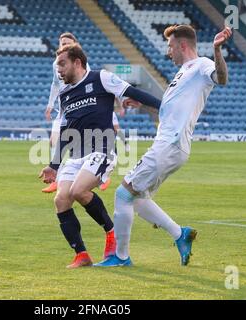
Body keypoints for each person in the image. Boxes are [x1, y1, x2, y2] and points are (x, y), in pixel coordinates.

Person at [94, 25, 232, 267]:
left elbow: (222, 79)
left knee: (123, 193)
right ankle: (181, 234)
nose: (168, 53)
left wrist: (217, 49)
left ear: (182, 45)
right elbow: (169, 111)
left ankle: (121, 257)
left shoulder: (201, 65)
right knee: (136, 199)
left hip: (171, 144)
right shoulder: (182, 74)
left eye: (170, 47)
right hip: (169, 144)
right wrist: (142, 104)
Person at [38, 44, 161, 268]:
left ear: (77, 62)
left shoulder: (100, 78)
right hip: (76, 155)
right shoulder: (64, 95)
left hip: (101, 150)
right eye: (58, 66)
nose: (59, 71)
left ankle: (111, 232)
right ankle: (81, 255)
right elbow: (66, 132)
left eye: (63, 64)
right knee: (61, 199)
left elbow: (131, 92)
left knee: (78, 190)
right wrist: (53, 165)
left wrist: (163, 107)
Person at [42, 32, 120, 193]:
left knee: (87, 139)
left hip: (82, 108)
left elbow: (97, 94)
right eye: (62, 42)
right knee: (54, 141)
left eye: (67, 42)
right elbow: (55, 84)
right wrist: (50, 104)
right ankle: (58, 175)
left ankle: (103, 170)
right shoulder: (56, 64)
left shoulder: (81, 66)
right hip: (64, 107)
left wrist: (113, 113)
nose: (63, 45)